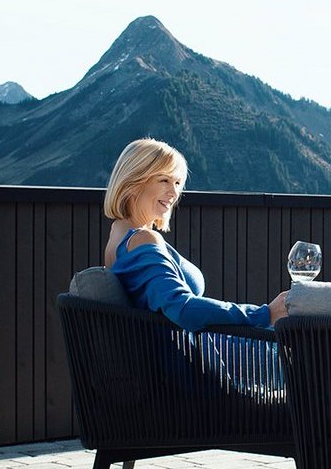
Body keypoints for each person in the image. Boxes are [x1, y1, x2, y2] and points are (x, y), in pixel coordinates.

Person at [103, 138, 288, 329]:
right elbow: (183, 308)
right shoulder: (141, 239)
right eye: (164, 180)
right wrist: (265, 314)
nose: (174, 193)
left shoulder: (117, 235)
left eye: (177, 182)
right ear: (133, 182)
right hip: (183, 355)